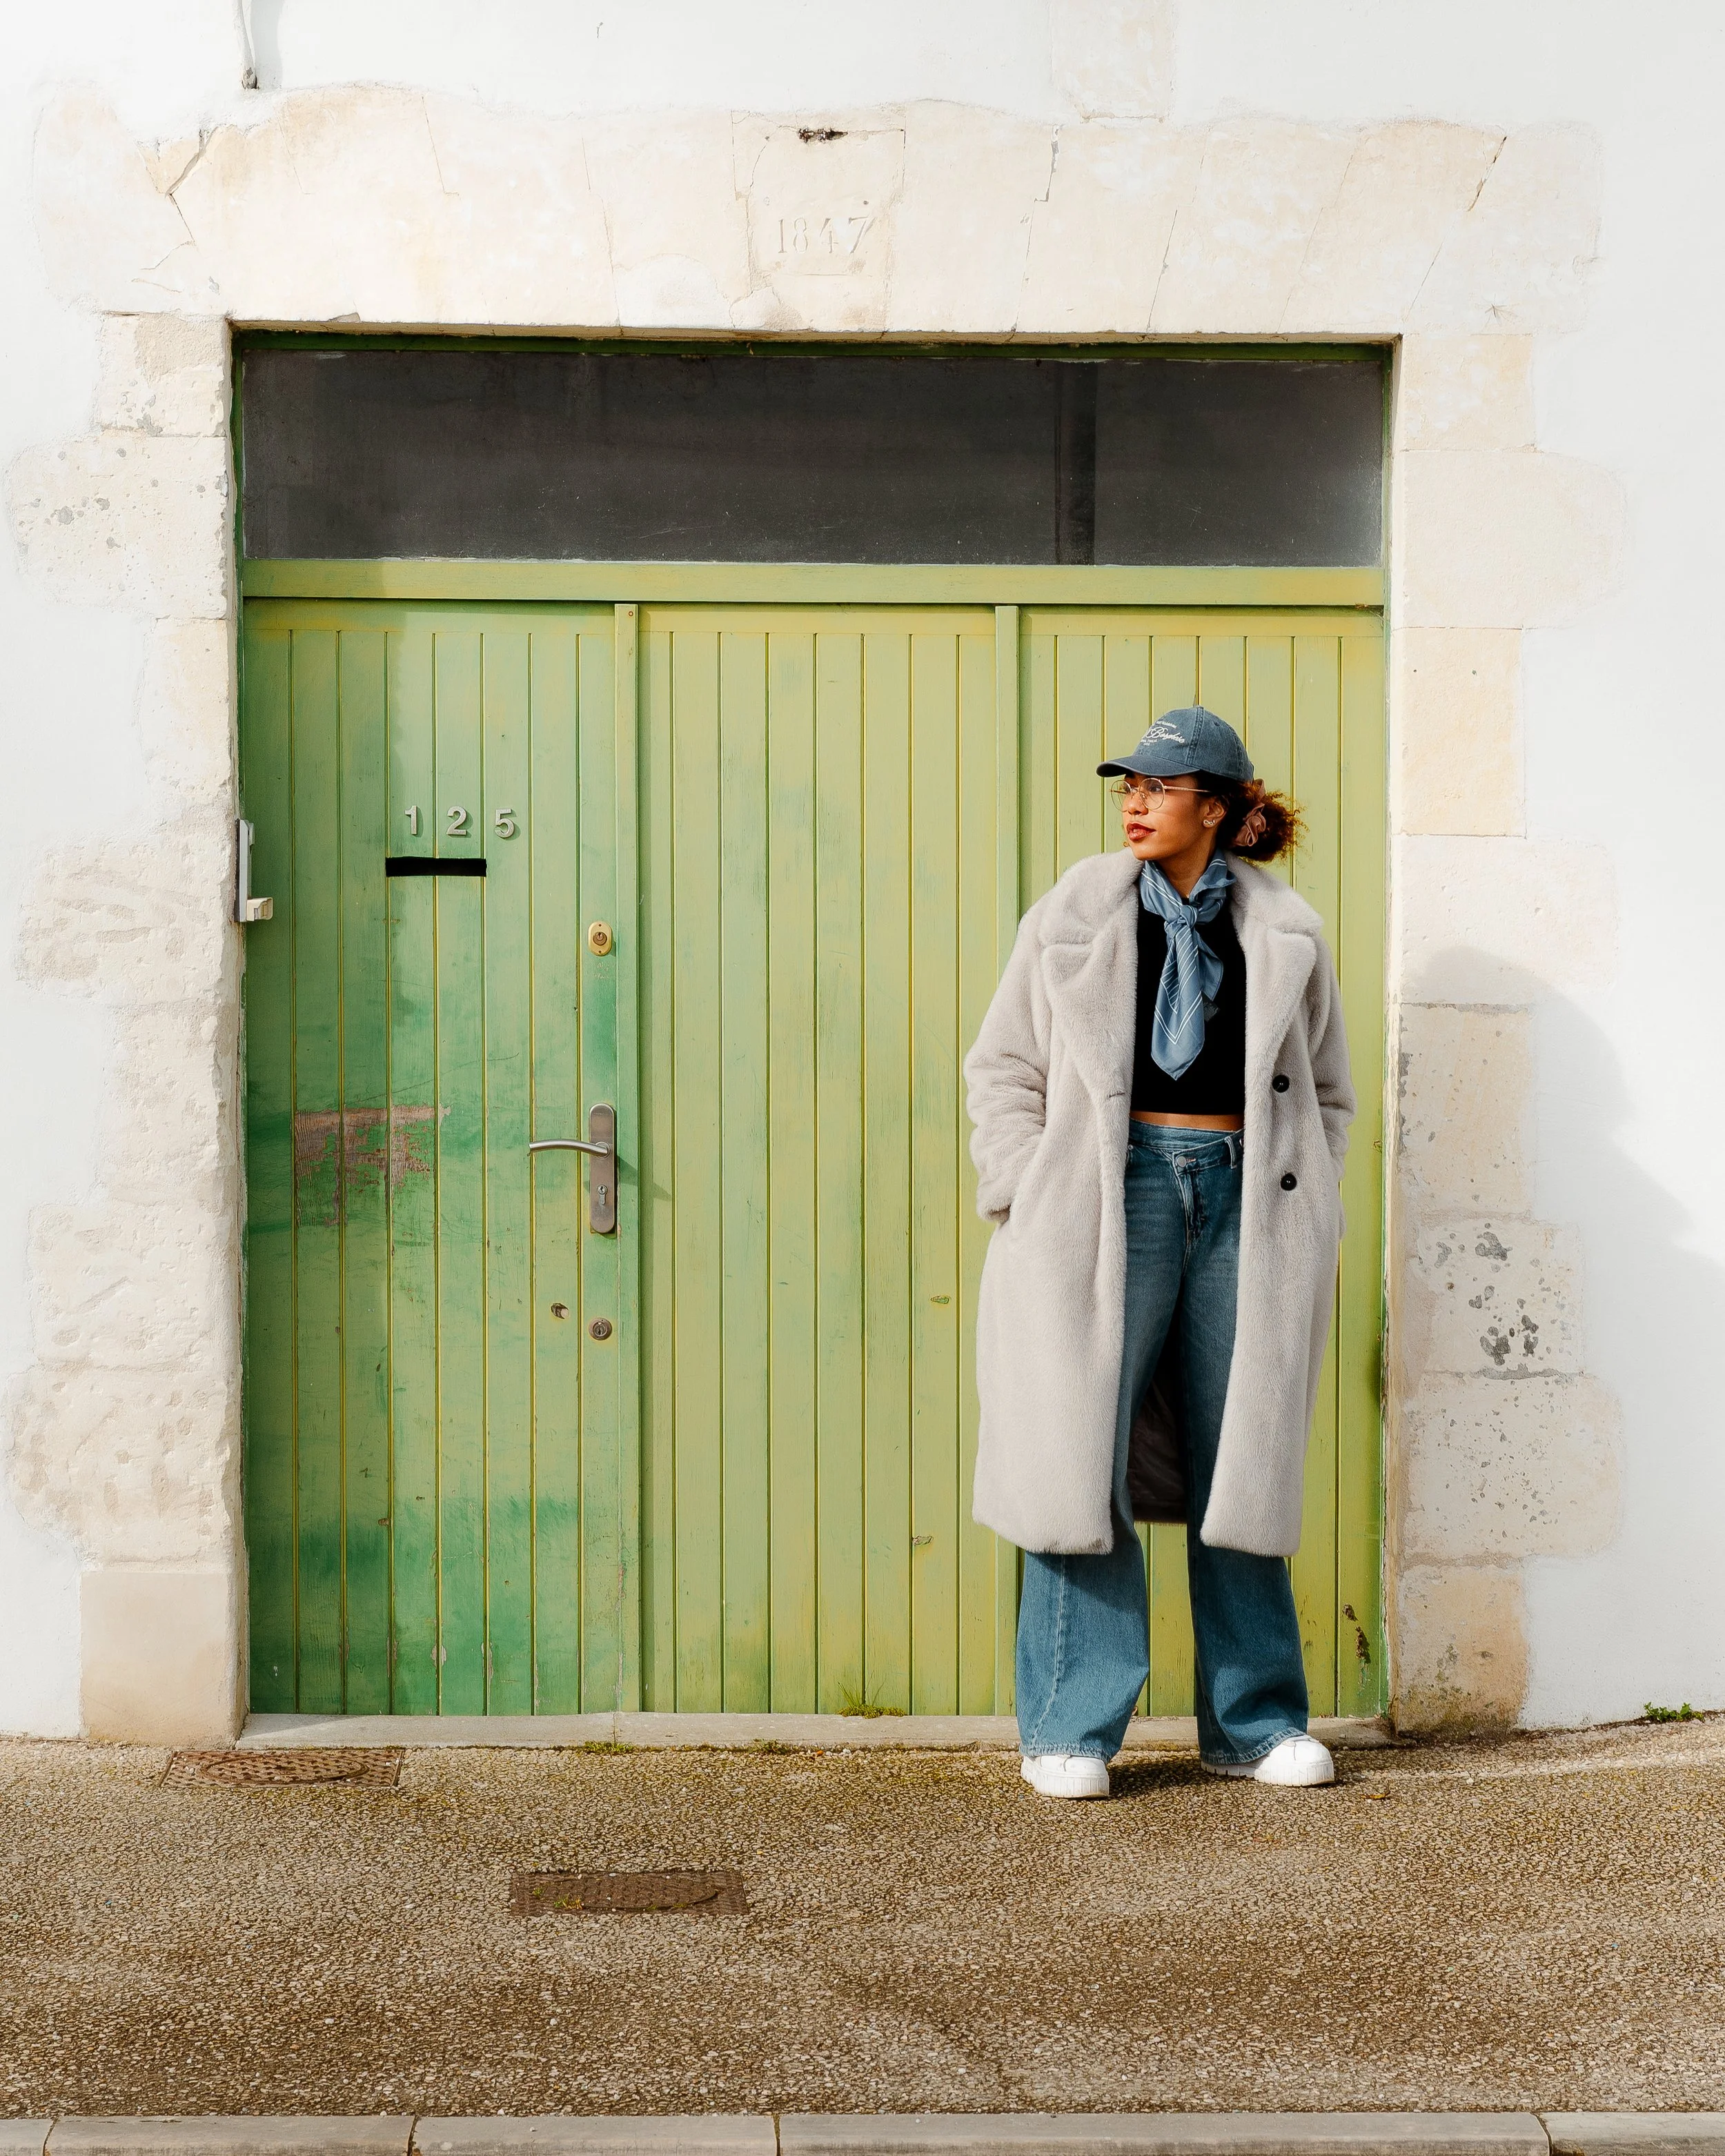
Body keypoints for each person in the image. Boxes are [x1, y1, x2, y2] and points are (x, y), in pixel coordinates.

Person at [963, 705, 1354, 1800]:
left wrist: (1312, 1202)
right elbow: (1002, 1068)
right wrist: (1025, 1186)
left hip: (1246, 1198)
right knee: (1074, 1456)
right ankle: (1070, 1729)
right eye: (1128, 786)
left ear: (1217, 808)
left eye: (1160, 788)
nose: (1135, 804)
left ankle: (1256, 1726)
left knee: (1245, 1456)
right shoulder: (1074, 914)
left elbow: (1328, 1093)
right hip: (1105, 1193)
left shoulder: (1285, 931)